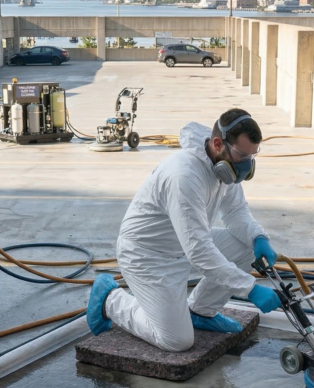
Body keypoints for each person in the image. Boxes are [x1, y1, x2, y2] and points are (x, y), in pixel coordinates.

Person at [85, 108, 282, 352]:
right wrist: (249, 288)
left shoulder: (223, 165)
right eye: (242, 155)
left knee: (248, 246)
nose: (246, 165)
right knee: (176, 341)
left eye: (252, 156)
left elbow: (235, 212)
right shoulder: (184, 175)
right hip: (148, 256)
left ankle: (201, 310)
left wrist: (258, 237)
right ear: (218, 143)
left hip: (181, 244)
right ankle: (110, 300)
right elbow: (199, 251)